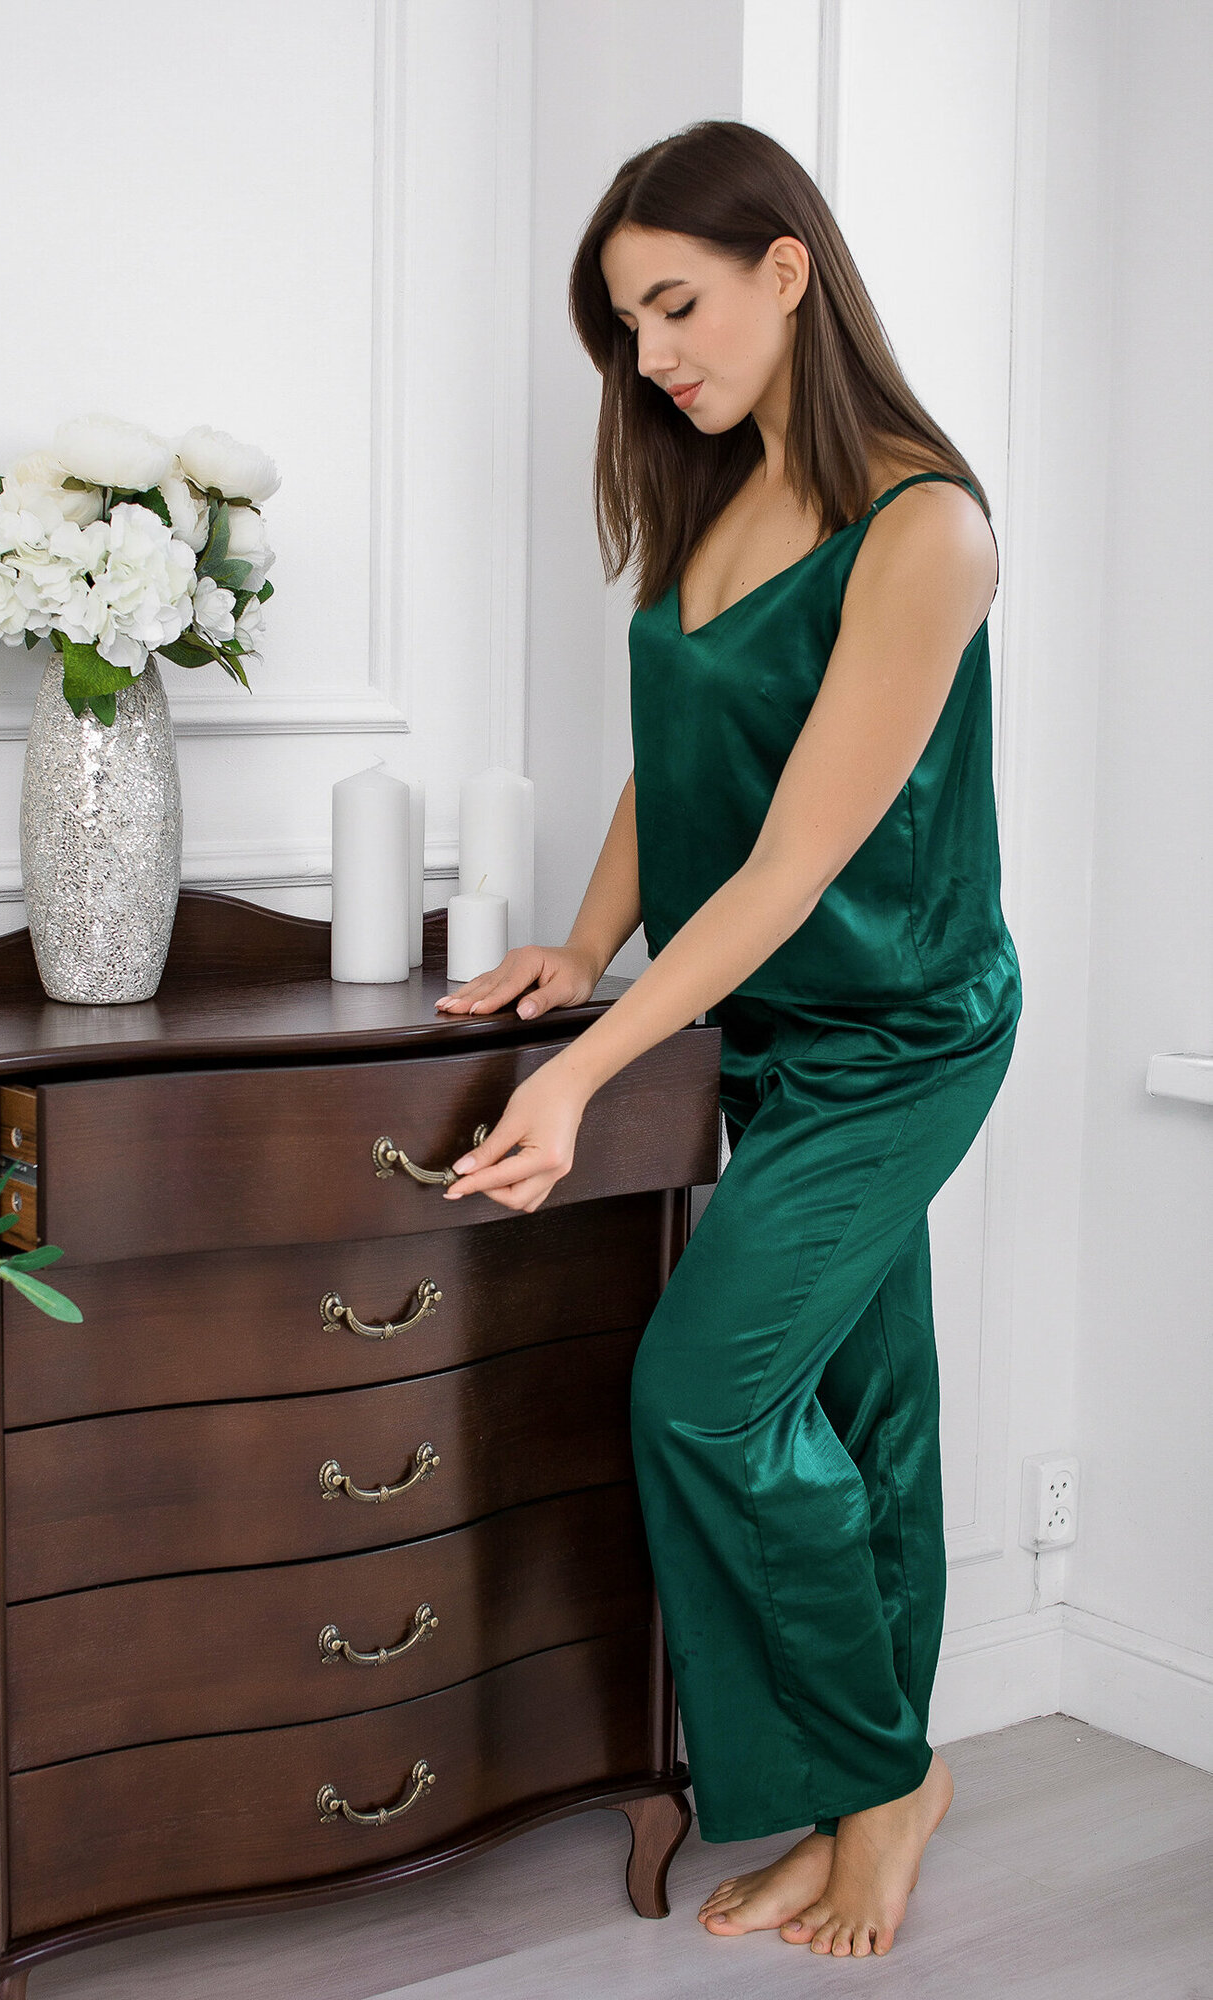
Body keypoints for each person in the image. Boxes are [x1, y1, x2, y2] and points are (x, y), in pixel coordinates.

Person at [431, 120, 1021, 1960]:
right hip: (762, 1030)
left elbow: (789, 860)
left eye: (676, 304)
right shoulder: (714, 495)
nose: (652, 354)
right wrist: (578, 945)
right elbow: (678, 765)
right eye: (626, 326)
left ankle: (880, 1786)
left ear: (788, 268)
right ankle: (870, 1795)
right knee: (863, 1408)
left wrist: (586, 1062)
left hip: (901, 1036)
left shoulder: (926, 529)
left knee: (706, 1396)